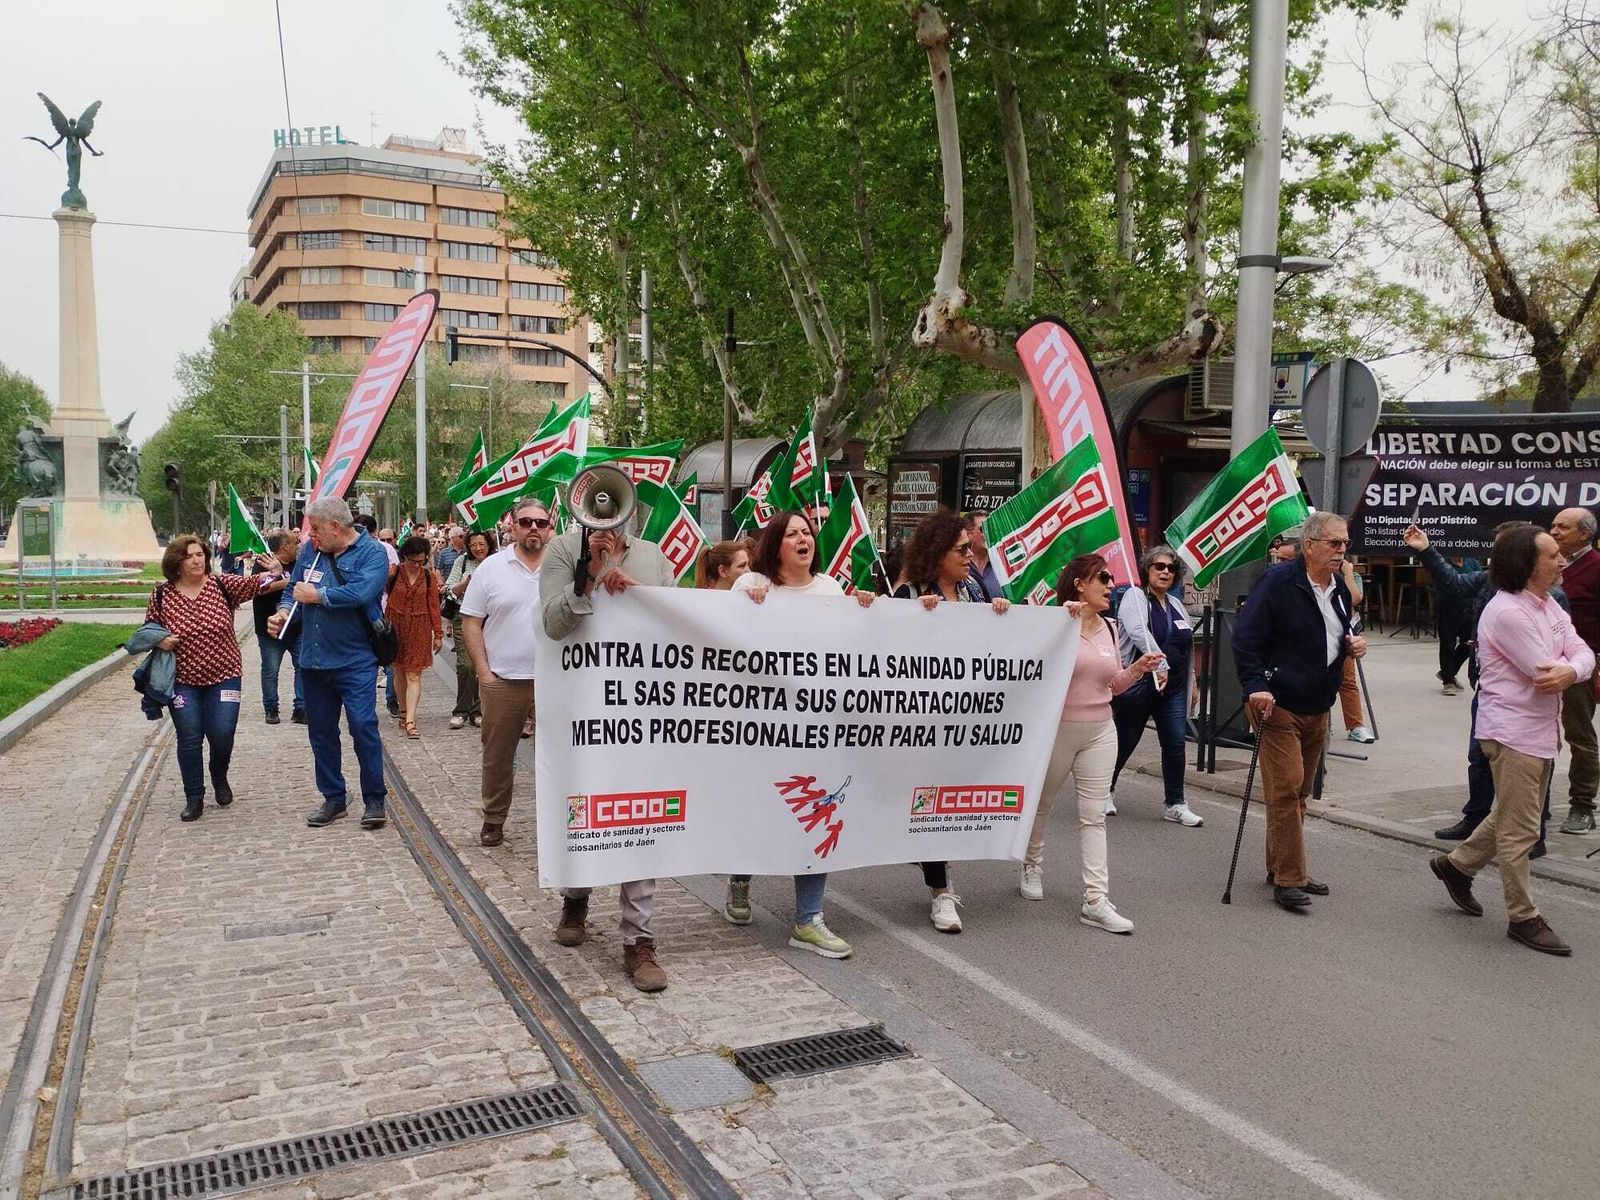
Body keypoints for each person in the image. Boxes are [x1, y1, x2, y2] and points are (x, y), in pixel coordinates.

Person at [1428, 525, 1592, 955]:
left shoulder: (1547, 606)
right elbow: (1545, 674)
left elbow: (1582, 651)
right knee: (1520, 832)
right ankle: (1523, 917)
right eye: (1553, 555)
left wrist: (1573, 668)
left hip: (1539, 731)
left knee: (1512, 813)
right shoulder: (1508, 613)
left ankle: (1456, 866)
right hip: (1513, 733)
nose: (1561, 561)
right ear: (1528, 564)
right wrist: (1571, 667)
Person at [728, 511, 876, 956]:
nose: (802, 538)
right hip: (761, 726)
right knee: (757, 808)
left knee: (817, 813)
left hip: (816, 729)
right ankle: (739, 878)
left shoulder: (831, 590)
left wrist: (866, 611)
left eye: (807, 533)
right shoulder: (750, 587)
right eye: (791, 533)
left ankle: (808, 918)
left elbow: (850, 651)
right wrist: (743, 602)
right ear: (775, 544)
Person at [542, 509, 676, 992]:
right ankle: (576, 896)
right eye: (595, 511)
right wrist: (591, 577)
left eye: (614, 509)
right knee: (586, 808)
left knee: (639, 815)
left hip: (639, 709)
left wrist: (635, 586)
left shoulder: (654, 557)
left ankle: (638, 940)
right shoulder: (561, 550)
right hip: (582, 704)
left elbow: (677, 625)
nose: (606, 519)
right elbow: (553, 625)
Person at [1233, 510, 1368, 911]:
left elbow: (1340, 630)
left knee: (1301, 791)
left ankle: (1280, 866)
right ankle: (1291, 878)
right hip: (1278, 703)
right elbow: (1245, 637)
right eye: (1334, 543)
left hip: (1318, 703)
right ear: (1309, 546)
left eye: (1345, 544)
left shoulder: (1340, 588)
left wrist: (1352, 644)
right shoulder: (1279, 582)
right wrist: (1256, 686)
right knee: (1286, 789)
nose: (1341, 551)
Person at [1023, 554, 1162, 933]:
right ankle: (1032, 863)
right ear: (1079, 584)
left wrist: (1136, 670)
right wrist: (1056, 623)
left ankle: (1095, 900)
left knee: (1094, 816)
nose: (1110, 584)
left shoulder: (1111, 628)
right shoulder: (1056, 623)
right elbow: (1029, 669)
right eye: (1102, 577)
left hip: (1101, 729)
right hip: (1058, 731)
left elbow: (1112, 684)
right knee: (1043, 803)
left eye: (1111, 577)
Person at [1406, 521, 1557, 854]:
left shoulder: (1550, 596)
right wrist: (1426, 549)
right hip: (1489, 691)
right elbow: (1454, 584)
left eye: (1502, 548)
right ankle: (1474, 820)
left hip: (1530, 701)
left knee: (1531, 767)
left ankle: (1535, 834)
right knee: (1479, 757)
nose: (1494, 556)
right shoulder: (1491, 581)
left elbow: (1566, 648)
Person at [899, 509, 1010, 933]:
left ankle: (930, 862)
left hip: (967, 723)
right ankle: (940, 893)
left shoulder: (976, 591)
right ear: (937, 552)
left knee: (948, 800)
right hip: (922, 725)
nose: (970, 554)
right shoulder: (910, 594)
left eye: (969, 547)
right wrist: (914, 619)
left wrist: (1001, 615)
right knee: (930, 801)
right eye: (961, 549)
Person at [269, 496, 391, 831]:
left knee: (363, 726)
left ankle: (374, 798)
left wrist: (320, 596)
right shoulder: (311, 550)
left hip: (355, 660)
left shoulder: (372, 553)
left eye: (317, 530)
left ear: (336, 527)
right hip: (313, 659)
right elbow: (293, 588)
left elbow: (362, 593)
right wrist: (282, 612)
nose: (311, 538)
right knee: (321, 733)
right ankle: (334, 796)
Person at [147, 535, 278, 822]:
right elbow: (148, 631)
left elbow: (263, 584)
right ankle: (194, 796)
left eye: (200, 555)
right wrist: (161, 640)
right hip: (183, 680)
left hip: (225, 675)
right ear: (176, 563)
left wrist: (278, 572)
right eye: (189, 556)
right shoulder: (161, 595)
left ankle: (219, 774)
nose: (196, 560)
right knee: (189, 737)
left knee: (222, 733)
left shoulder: (222, 584)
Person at [462, 498, 549, 847]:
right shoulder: (492, 568)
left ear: (549, 528)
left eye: (540, 523)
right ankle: (494, 819)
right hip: (504, 680)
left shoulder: (564, 567)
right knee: (498, 757)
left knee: (560, 756)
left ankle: (560, 823)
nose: (533, 529)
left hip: (554, 681)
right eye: (526, 522)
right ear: (512, 525)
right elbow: (470, 622)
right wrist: (484, 673)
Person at [1109, 544, 1203, 827]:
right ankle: (1103, 790)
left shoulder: (1175, 605)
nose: (1165, 572)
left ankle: (1175, 803)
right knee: (1125, 740)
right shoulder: (1135, 598)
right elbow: (1139, 632)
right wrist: (1159, 665)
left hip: (1172, 688)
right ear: (1146, 570)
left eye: (1171, 568)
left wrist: (1193, 681)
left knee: (1175, 743)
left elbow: (1185, 646)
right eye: (1158, 566)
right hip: (1139, 683)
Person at [1551, 507, 1600, 834]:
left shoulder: (1596, 568)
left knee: (1579, 736)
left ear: (1585, 534)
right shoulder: (1547, 563)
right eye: (1553, 525)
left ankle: (1582, 806)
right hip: (1542, 664)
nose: (1554, 531)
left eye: (1563, 527)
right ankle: (1534, 803)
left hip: (1580, 669)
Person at [388, 534, 443, 738]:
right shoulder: (394, 573)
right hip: (396, 625)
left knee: (414, 673)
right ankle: (402, 712)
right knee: (399, 671)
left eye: (421, 561)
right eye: (413, 561)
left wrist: (438, 633)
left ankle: (411, 720)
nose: (417, 565)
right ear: (405, 557)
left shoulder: (428, 577)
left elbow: (434, 606)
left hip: (420, 626)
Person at [445, 530, 494, 730]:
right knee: (466, 665)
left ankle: (478, 710)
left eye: (481, 544)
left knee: (484, 664)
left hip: (491, 619)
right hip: (463, 615)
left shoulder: (497, 562)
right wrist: (465, 583)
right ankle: (461, 710)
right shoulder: (462, 562)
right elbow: (448, 589)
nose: (478, 548)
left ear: (489, 544)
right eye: (473, 545)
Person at [254, 529, 302, 724]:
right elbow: (260, 588)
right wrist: (287, 581)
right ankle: (271, 708)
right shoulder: (264, 563)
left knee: (302, 667)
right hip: (270, 628)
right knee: (271, 669)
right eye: (295, 543)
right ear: (285, 546)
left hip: (297, 626)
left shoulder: (298, 564)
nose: (298, 546)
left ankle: (301, 707)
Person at [1338, 558, 1375, 744]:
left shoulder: (1352, 576)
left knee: (1348, 680)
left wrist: (1348, 573)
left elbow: (1355, 598)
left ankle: (1355, 725)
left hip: (1343, 631)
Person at [963, 511, 1000, 601]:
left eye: (993, 529)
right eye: (984, 529)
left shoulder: (1002, 566)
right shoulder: (958, 565)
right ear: (968, 534)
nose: (990, 533)